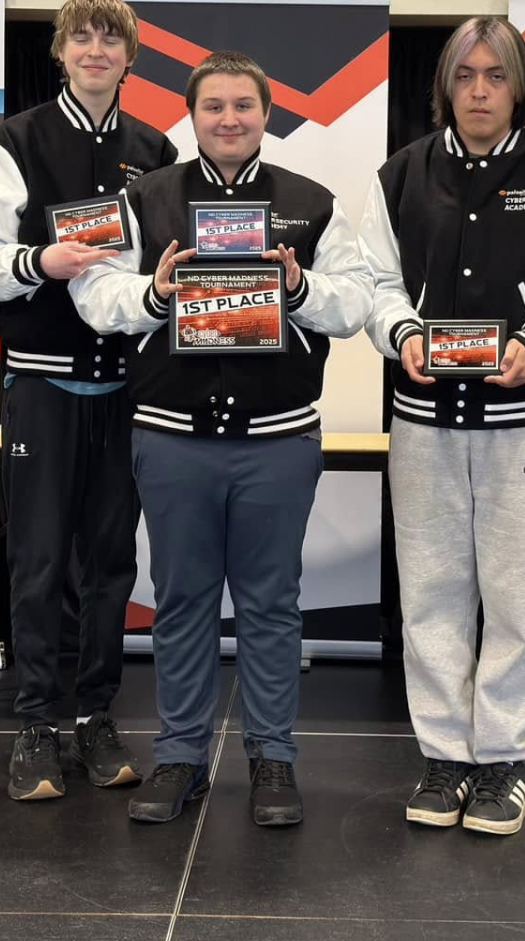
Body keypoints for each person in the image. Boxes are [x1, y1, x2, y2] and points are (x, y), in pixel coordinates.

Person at [70, 51, 372, 828]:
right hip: (172, 438)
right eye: (214, 107)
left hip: (277, 440)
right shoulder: (143, 199)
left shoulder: (313, 203)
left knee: (272, 606)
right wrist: (154, 291)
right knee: (182, 604)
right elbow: (95, 292)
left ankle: (273, 759)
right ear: (191, 115)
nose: (229, 119)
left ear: (267, 114)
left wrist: (300, 288)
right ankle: (180, 757)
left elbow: (354, 303)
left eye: (244, 105)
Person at [360, 17, 525, 836]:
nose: (478, 91)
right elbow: (374, 284)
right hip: (426, 420)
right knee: (430, 593)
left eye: (494, 77)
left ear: (518, 86)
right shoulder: (400, 176)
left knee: (517, 597)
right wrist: (402, 337)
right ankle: (443, 756)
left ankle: (502, 756)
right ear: (445, 85)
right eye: (464, 76)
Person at [0, 0, 176, 802]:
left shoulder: (153, 149)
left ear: (129, 57)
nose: (94, 51)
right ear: (59, 50)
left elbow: (167, 262)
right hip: (43, 384)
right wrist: (37, 264)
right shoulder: (13, 141)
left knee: (110, 561)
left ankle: (95, 715)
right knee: (41, 558)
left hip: (126, 386)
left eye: (109, 39)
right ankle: (36, 724)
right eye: (80, 37)